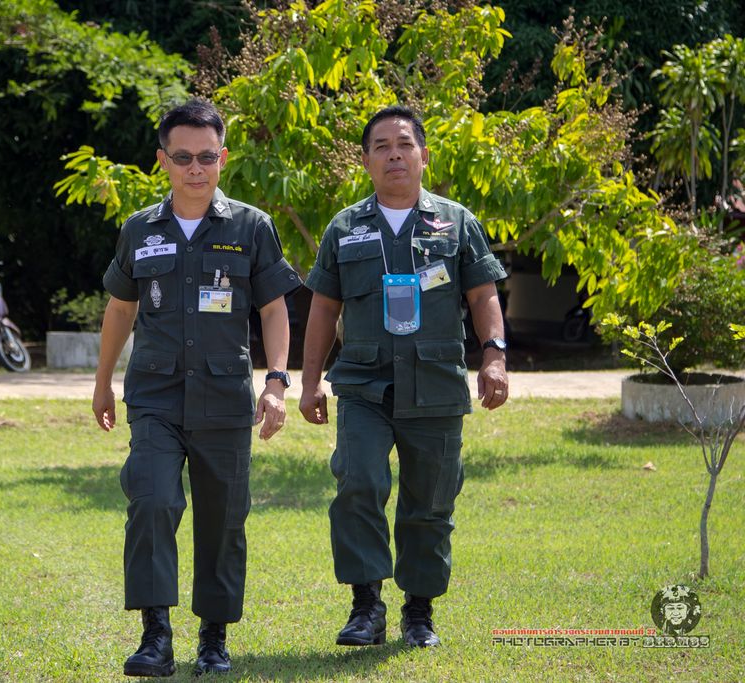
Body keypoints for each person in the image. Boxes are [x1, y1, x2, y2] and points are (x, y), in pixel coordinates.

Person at [93, 98, 301, 677]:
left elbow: (274, 310)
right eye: (182, 157)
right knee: (152, 501)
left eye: (206, 157)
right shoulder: (139, 229)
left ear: (222, 158)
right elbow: (120, 309)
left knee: (223, 519)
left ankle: (213, 637)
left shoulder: (251, 227)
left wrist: (277, 382)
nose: (195, 169)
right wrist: (103, 381)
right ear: (162, 160)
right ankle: (155, 635)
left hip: (225, 399)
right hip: (155, 397)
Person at [299, 105, 508, 649]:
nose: (394, 155)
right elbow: (323, 308)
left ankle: (419, 611)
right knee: (358, 484)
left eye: (404, 145)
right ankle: (366, 606)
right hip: (363, 385)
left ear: (423, 155)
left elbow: (483, 295)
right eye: (381, 147)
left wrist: (494, 356)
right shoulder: (345, 227)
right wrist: (310, 380)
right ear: (366, 161)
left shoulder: (456, 222)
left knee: (431, 500)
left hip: (435, 384)